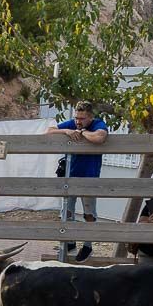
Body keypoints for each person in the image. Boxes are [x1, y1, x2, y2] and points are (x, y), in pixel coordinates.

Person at [47, 100, 109, 262]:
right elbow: (49, 131)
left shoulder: (98, 124)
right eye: (76, 118)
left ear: (90, 117)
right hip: (70, 176)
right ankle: (70, 241)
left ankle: (87, 245)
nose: (78, 121)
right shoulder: (73, 124)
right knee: (67, 211)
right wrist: (67, 130)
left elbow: (99, 138)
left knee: (89, 213)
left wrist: (81, 133)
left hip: (89, 177)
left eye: (82, 119)